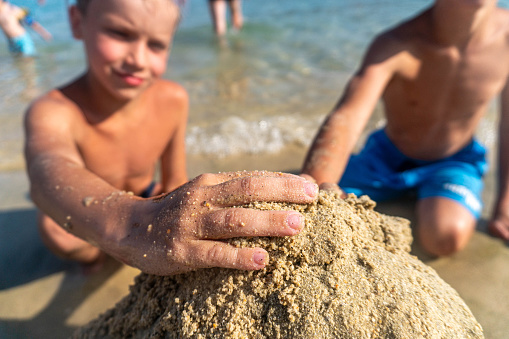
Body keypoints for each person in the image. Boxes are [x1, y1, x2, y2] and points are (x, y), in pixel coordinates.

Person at [24, 0, 318, 276]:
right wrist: (130, 223)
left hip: (148, 198)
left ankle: (124, 245)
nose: (138, 59)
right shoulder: (54, 110)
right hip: (94, 217)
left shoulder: (173, 99)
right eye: (119, 33)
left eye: (156, 45)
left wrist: (166, 214)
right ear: (77, 22)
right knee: (57, 234)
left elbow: (176, 182)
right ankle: (98, 257)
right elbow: (47, 169)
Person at [301, 0, 509, 257]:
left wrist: (505, 204)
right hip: (386, 156)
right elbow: (348, 115)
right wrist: (316, 189)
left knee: (446, 236)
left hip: (454, 160)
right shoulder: (396, 44)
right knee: (314, 190)